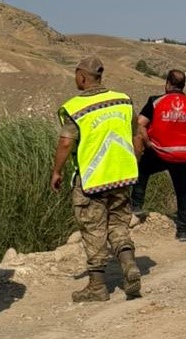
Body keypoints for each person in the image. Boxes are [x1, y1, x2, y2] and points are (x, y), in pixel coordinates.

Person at [51, 56, 144, 303]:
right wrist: (133, 162)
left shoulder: (75, 107)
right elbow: (137, 135)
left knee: (93, 230)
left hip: (92, 180)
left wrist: (57, 171)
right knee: (118, 225)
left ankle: (97, 287)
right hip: (122, 176)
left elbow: (66, 143)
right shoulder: (123, 100)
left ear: (82, 77)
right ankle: (129, 264)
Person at [132, 69, 186, 241]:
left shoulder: (155, 101)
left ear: (168, 84)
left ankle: (136, 207)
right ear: (183, 85)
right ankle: (184, 230)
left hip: (160, 152)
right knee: (184, 191)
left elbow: (140, 123)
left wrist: (147, 142)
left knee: (142, 170)